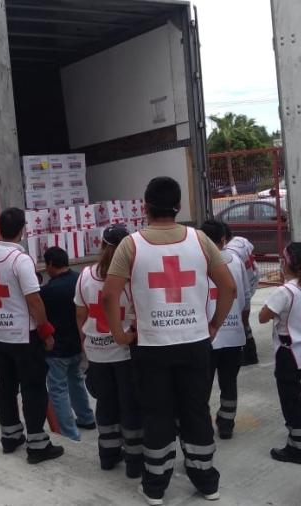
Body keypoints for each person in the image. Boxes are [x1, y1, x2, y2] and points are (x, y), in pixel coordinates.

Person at [102, 177, 236, 505]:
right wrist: (215, 325)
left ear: (145, 206)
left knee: (156, 413)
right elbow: (228, 288)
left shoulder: (130, 245)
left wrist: (119, 334)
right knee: (196, 410)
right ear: (178, 207)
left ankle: (155, 487)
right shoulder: (201, 240)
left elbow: (109, 294)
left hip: (151, 345)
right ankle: (206, 481)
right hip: (195, 343)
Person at [0, 207, 64, 463]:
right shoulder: (20, 260)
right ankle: (37, 446)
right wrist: (46, 331)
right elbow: (34, 301)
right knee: (33, 388)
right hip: (24, 337)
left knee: (5, 385)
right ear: (22, 230)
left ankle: (10, 436)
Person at [74, 224, 144, 477]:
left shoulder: (84, 276)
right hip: (125, 352)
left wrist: (87, 344)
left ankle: (108, 455)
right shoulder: (129, 279)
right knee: (130, 404)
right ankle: (135, 462)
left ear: (101, 245)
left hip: (95, 353)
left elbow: (80, 315)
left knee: (105, 403)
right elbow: (138, 317)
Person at [258, 242, 301, 465]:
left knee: (291, 400)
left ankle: (296, 447)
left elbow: (263, 317)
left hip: (289, 353)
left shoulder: (285, 291)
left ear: (285, 263)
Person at [201, 220, 250, 440]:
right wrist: (244, 326)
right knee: (229, 383)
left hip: (207, 336)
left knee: (202, 385)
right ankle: (227, 423)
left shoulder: (198, 262)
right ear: (223, 240)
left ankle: (202, 424)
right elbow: (245, 297)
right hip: (234, 335)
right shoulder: (236, 262)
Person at [41, 246, 96, 441]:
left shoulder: (47, 291)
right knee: (76, 380)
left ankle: (69, 433)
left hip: (57, 349)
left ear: (50, 265)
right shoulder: (79, 280)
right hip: (77, 344)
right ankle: (87, 417)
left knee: (58, 389)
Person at [223, 228, 260, 366]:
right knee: (243, 319)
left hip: (243, 283)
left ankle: (248, 352)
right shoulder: (241, 240)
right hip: (252, 278)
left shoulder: (229, 254)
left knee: (239, 319)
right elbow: (251, 248)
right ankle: (250, 351)